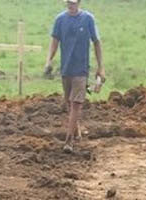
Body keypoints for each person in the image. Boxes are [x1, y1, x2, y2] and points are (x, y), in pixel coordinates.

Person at [44, 0, 105, 153]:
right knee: (69, 104)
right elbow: (55, 41)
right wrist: (49, 61)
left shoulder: (88, 19)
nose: (71, 5)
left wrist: (100, 67)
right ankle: (76, 132)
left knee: (76, 103)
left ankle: (68, 141)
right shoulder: (60, 20)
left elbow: (97, 42)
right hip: (66, 69)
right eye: (69, 3)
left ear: (79, 3)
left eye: (73, 3)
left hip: (81, 69)